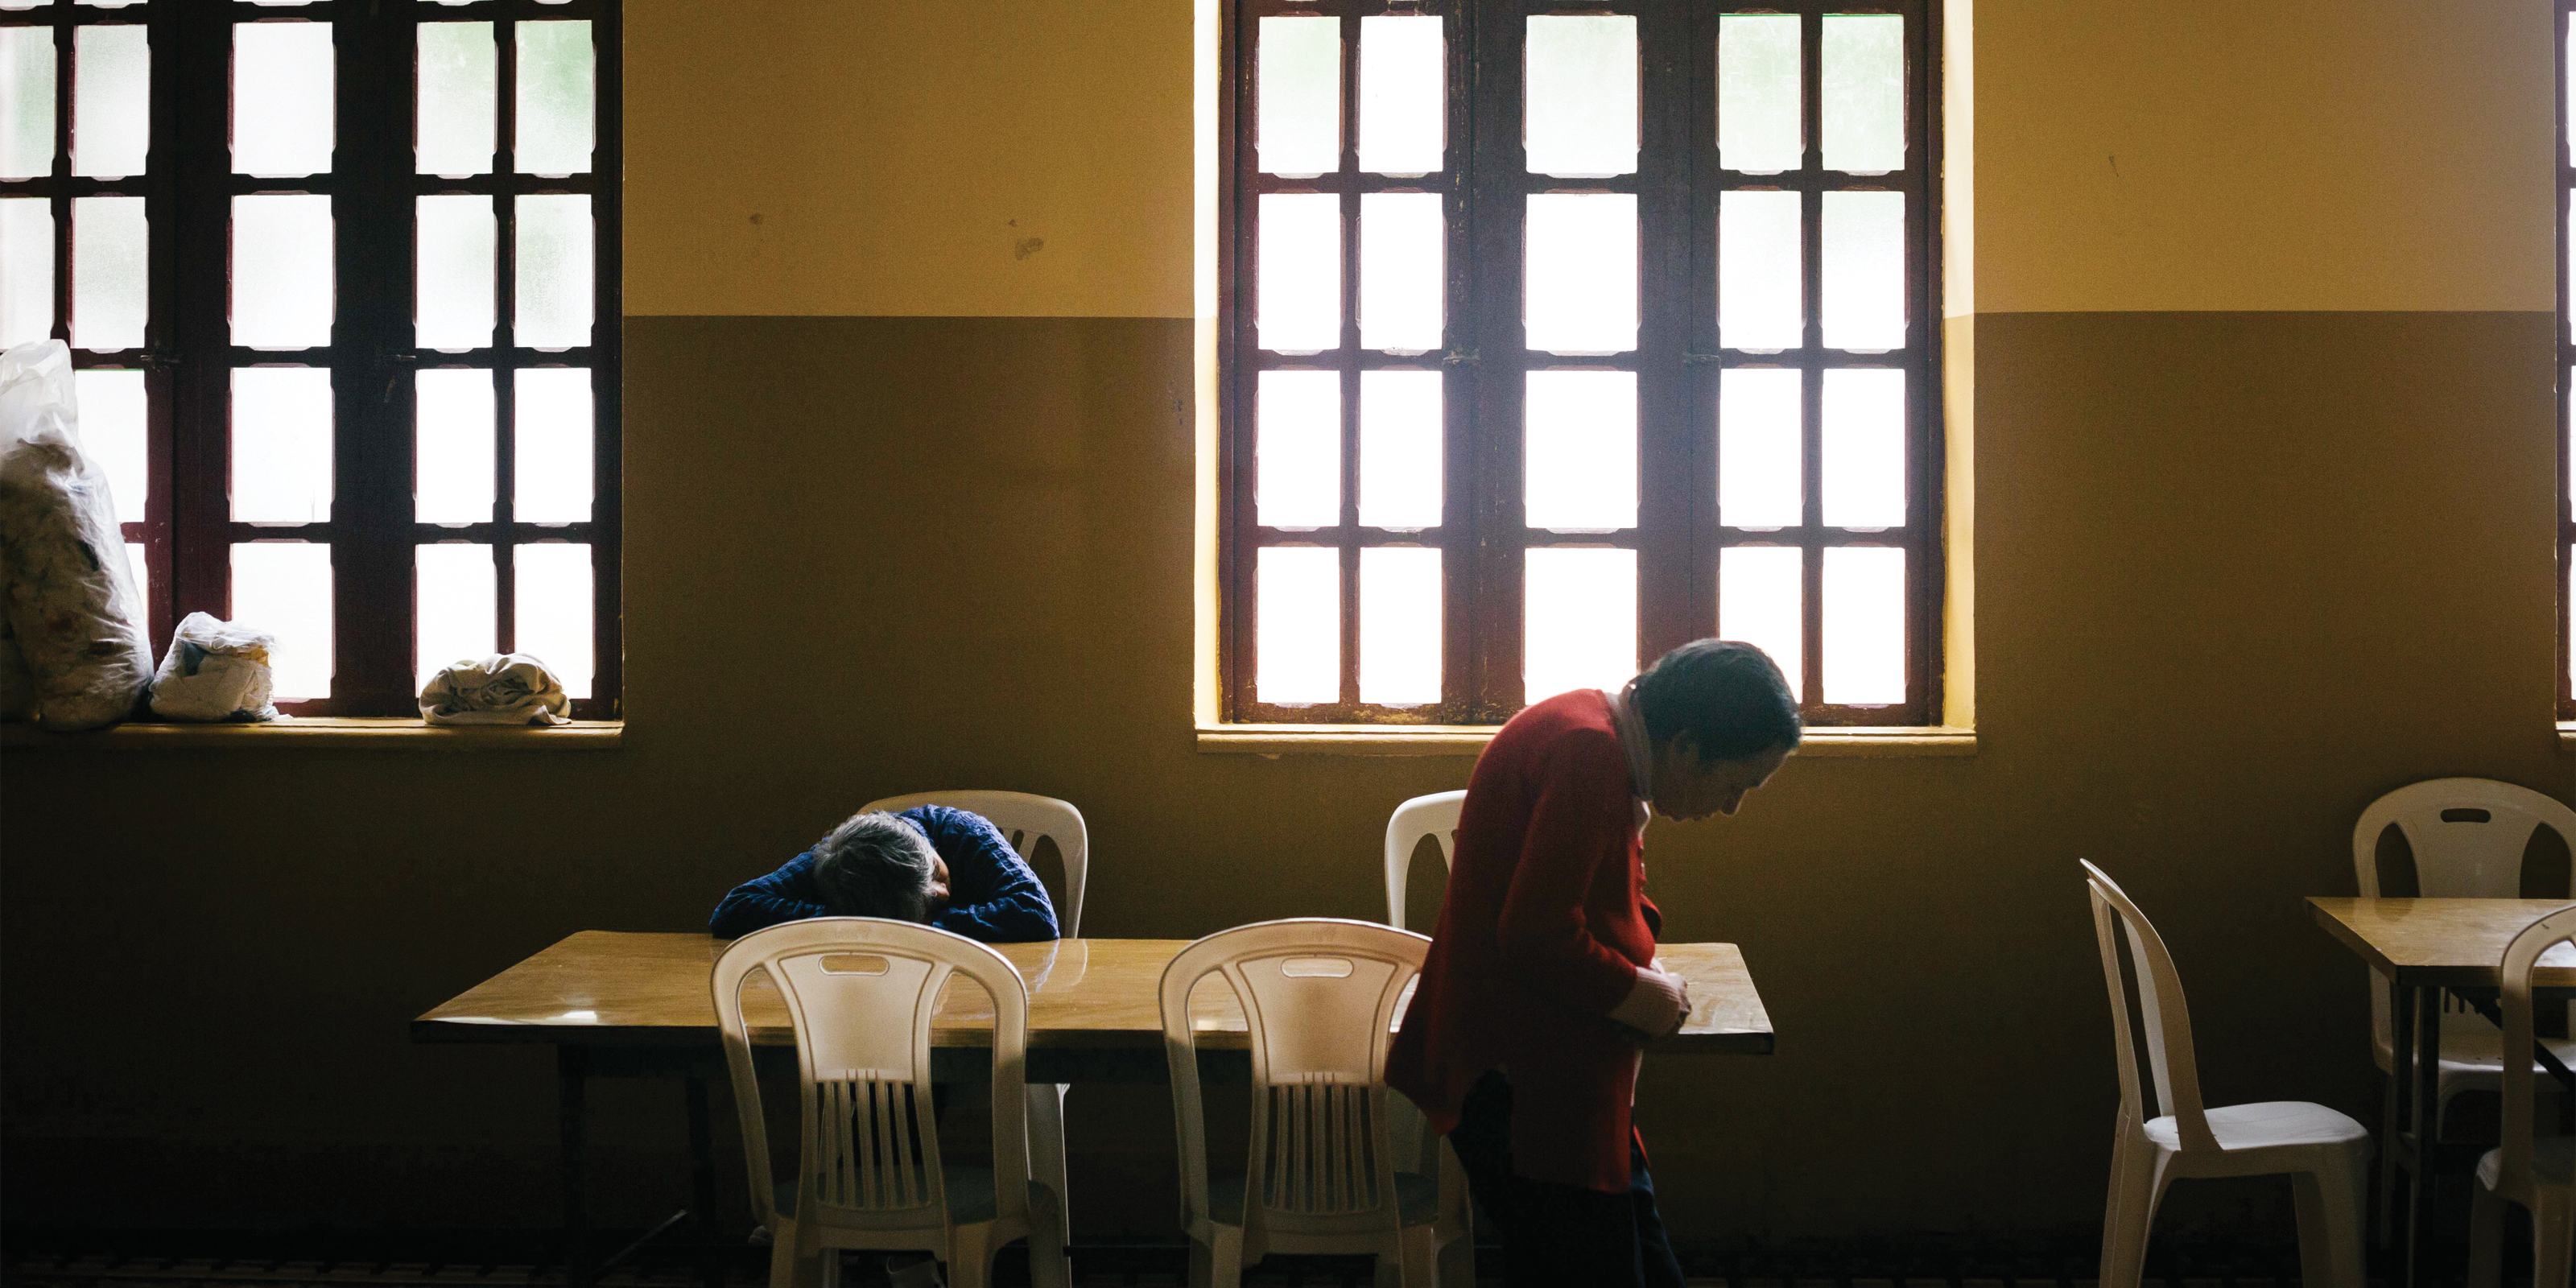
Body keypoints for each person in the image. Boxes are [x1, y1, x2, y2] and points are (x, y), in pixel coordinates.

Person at [1386, 638, 1801, 1288]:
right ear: (1687, 746)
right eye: (1736, 784)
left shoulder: (1595, 730)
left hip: (1555, 1075)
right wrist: (1646, 996)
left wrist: (1643, 975)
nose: (1730, 808)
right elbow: (1535, 934)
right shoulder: (1588, 756)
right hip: (1519, 1084)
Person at [709, 804, 1059, 942]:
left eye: (936, 871)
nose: (944, 893)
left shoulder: (966, 832)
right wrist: (863, 918)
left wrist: (907, 926)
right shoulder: (837, 861)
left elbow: (1037, 914)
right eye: (928, 902)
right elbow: (734, 909)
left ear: (929, 847)